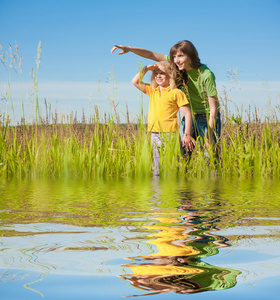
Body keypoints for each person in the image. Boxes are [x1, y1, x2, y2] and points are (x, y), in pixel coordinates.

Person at [111, 41, 221, 156]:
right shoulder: (176, 65)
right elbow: (151, 55)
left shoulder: (206, 74)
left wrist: (209, 135)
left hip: (207, 116)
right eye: (174, 57)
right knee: (182, 154)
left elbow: (213, 108)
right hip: (190, 114)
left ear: (191, 55)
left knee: (210, 154)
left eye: (180, 56)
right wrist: (129, 48)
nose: (176, 60)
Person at [132, 60, 195, 174]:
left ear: (170, 74)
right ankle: (157, 191)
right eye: (156, 73)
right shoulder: (153, 90)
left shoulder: (176, 92)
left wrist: (187, 134)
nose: (158, 76)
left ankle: (172, 189)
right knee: (156, 168)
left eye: (162, 73)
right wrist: (146, 68)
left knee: (170, 166)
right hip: (154, 134)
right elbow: (135, 81)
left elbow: (187, 114)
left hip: (169, 135)